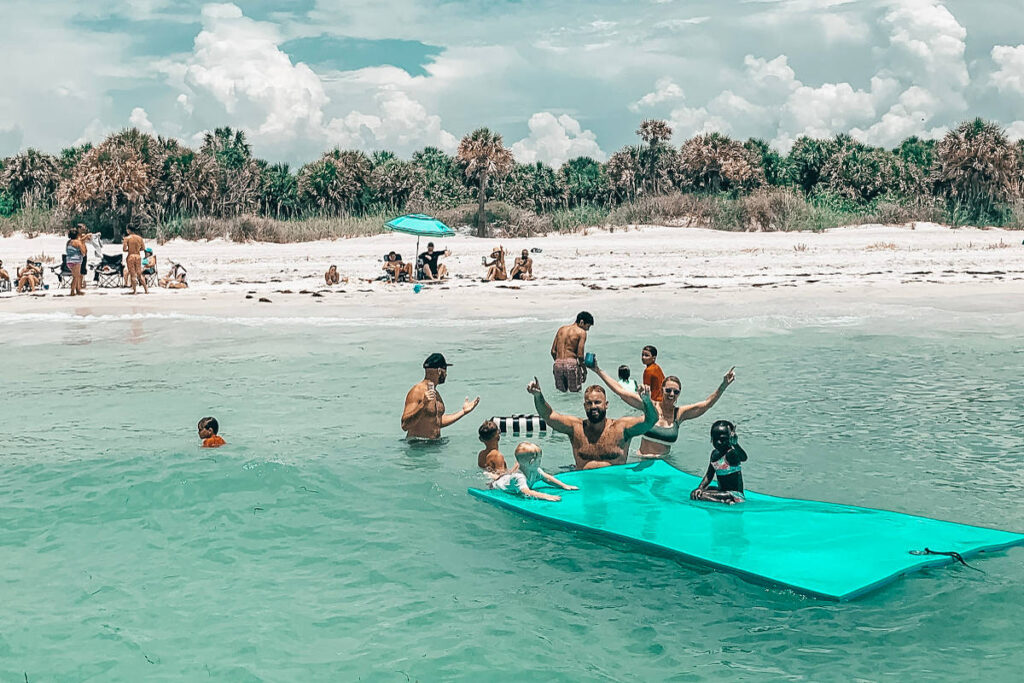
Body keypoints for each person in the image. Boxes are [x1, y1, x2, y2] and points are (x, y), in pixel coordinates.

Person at [592, 360, 736, 460]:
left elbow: (706, 404)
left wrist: (723, 385)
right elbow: (620, 391)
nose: (671, 394)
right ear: (662, 390)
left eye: (676, 392)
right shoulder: (649, 406)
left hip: (665, 463)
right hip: (641, 459)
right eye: (668, 390)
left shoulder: (679, 414)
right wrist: (598, 370)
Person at [528, 377, 657, 470]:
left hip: (616, 488)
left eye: (597, 402)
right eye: (589, 403)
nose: (593, 406)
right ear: (584, 406)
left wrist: (647, 401)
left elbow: (651, 420)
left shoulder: (621, 428)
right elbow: (549, 415)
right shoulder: (576, 428)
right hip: (584, 488)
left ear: (606, 405)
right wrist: (538, 396)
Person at [402, 353, 480, 440]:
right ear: (439, 371)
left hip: (434, 445)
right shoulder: (417, 391)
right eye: (445, 370)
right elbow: (405, 425)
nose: (446, 374)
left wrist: (463, 412)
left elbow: (436, 421)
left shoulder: (435, 393)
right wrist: (423, 404)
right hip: (418, 446)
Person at [489, 442, 577, 501]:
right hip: (496, 485)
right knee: (499, 478)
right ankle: (492, 476)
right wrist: (546, 496)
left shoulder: (535, 470)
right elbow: (526, 492)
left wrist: (564, 486)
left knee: (506, 476)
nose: (540, 462)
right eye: (539, 460)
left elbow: (547, 478)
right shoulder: (519, 477)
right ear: (532, 462)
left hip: (507, 478)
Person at [690, 420, 747, 504]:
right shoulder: (714, 455)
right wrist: (700, 487)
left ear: (730, 438)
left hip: (734, 495)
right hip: (722, 491)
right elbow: (709, 475)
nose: (719, 442)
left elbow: (743, 458)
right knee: (696, 492)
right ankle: (724, 501)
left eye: (723, 439)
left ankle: (725, 502)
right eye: (715, 439)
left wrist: (735, 444)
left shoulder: (731, 454)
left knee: (700, 496)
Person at [550, 311, 593, 393]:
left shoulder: (561, 329)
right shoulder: (581, 332)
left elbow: (553, 351)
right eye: (587, 326)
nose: (587, 330)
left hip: (557, 364)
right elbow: (580, 355)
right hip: (571, 364)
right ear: (581, 322)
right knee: (575, 394)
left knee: (561, 394)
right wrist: (584, 371)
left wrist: (559, 363)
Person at [123, 226, 148, 294]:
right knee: (139, 274)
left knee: (132, 274)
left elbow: (124, 249)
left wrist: (130, 250)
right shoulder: (139, 238)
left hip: (131, 256)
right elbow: (143, 248)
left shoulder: (127, 238)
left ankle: (135, 290)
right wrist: (137, 250)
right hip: (138, 256)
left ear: (128, 230)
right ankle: (146, 289)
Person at [66, 227, 85, 296]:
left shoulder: (68, 242)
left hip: (69, 261)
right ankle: (72, 291)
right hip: (76, 260)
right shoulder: (77, 242)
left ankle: (78, 290)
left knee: (78, 275)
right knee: (76, 276)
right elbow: (83, 252)